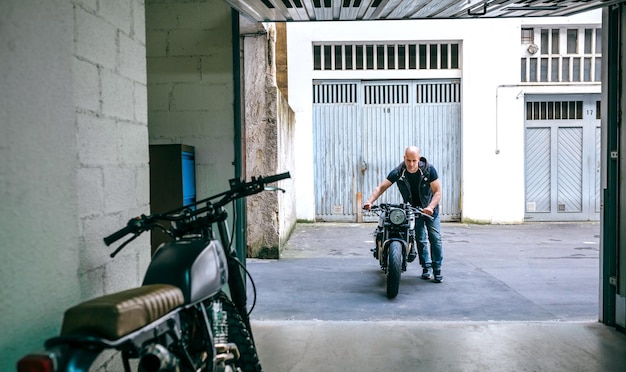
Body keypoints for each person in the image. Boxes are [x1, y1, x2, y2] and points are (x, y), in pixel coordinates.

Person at [363, 146, 444, 283]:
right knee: (420, 239)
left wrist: (430, 207)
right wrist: (369, 201)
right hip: (412, 210)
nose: (411, 164)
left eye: (414, 161)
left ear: (419, 159)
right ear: (404, 158)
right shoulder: (399, 172)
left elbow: (437, 192)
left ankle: (437, 269)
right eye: (408, 161)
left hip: (430, 210)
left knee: (435, 237)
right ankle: (426, 268)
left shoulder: (429, 170)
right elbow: (381, 187)